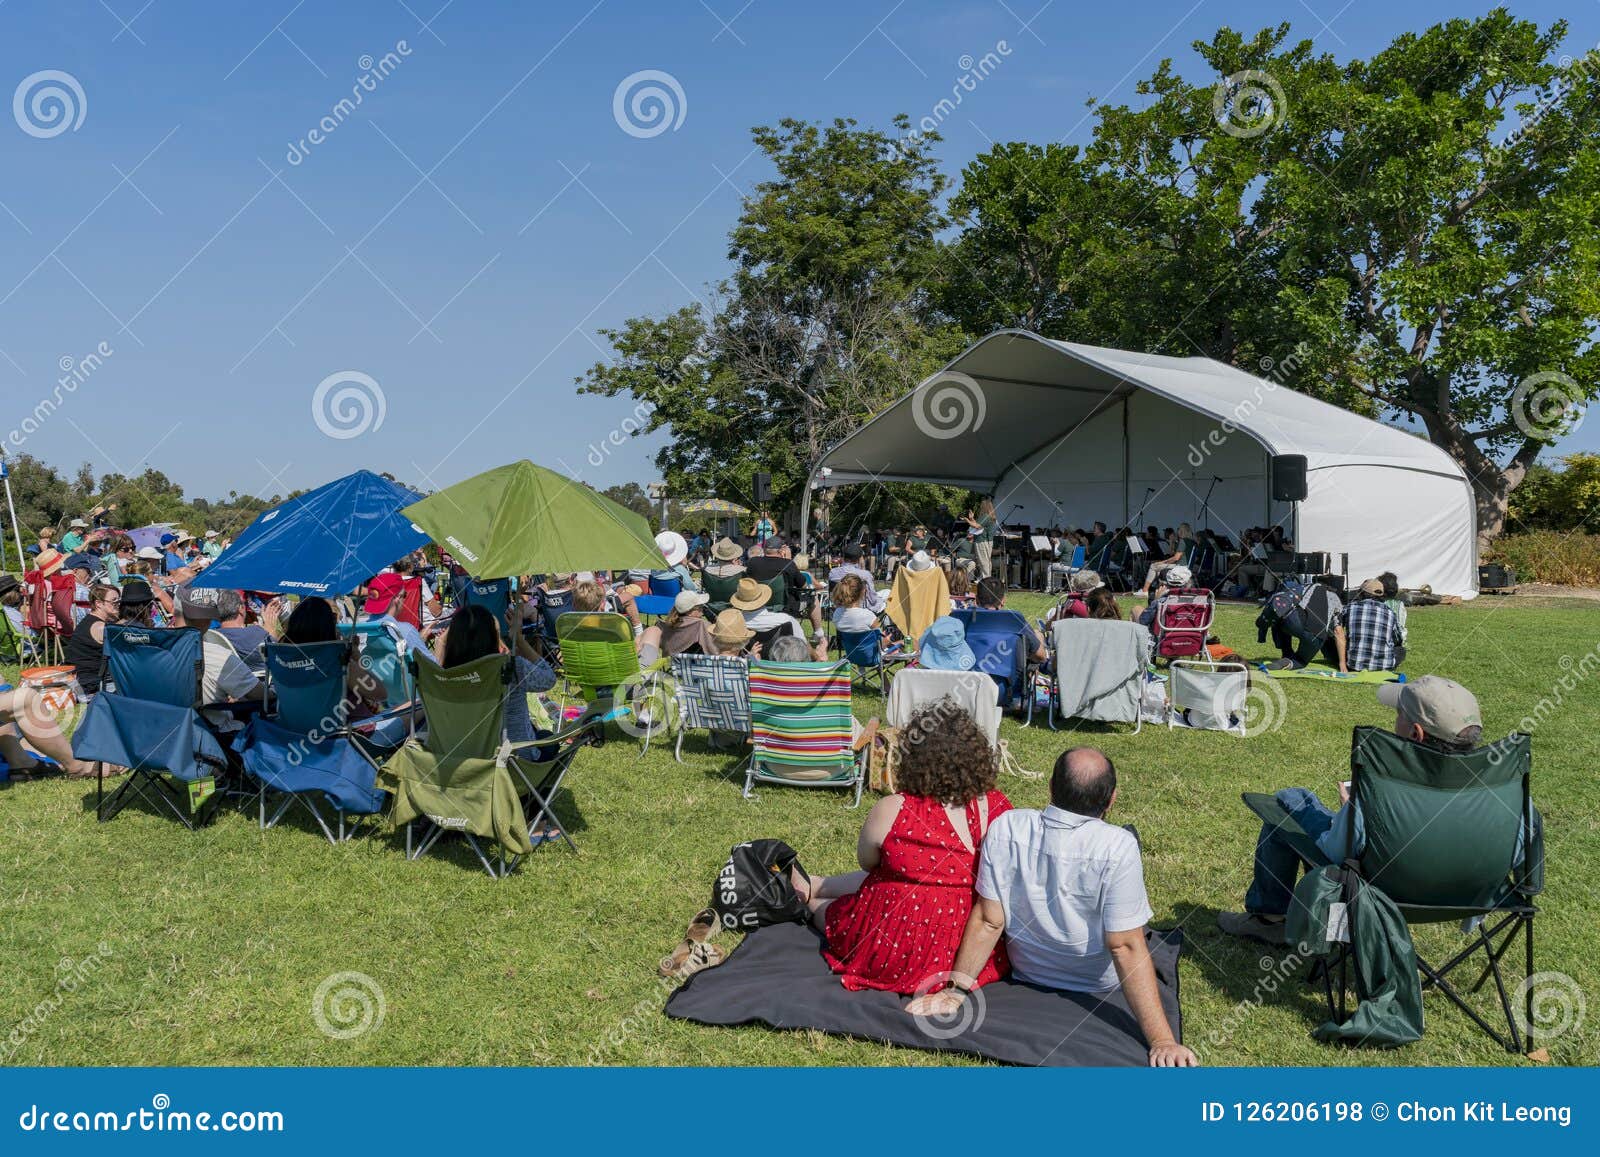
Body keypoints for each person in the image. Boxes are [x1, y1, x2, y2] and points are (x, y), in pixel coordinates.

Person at [906, 746, 1197, 1067]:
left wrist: (955, 993)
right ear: (1111, 799)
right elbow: (1125, 945)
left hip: (1028, 972)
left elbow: (989, 921)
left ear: (1050, 788)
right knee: (1123, 862)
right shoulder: (1119, 847)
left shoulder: (1007, 827)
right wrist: (1163, 1040)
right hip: (1097, 982)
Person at [1218, 677, 1513, 946]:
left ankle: (1270, 918)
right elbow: (1523, 863)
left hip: (1377, 894)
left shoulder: (1377, 787)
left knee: (1291, 803)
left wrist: (1350, 809)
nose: (1394, 721)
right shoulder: (1505, 793)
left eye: (1399, 715)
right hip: (1467, 898)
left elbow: (1336, 852)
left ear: (1415, 732)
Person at [792, 703, 1014, 994]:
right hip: (969, 946)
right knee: (893, 877)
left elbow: (867, 862)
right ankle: (818, 884)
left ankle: (808, 897)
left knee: (834, 914)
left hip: (896, 943)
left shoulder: (895, 809)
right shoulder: (999, 808)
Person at [434, 603, 557, 749]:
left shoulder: (444, 676)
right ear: (492, 638)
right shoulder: (511, 667)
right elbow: (548, 679)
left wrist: (441, 644)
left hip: (465, 755)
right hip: (512, 758)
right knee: (547, 738)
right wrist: (519, 639)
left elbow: (435, 671)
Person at [171, 586, 265, 732]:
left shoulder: (148, 649)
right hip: (212, 738)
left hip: (159, 732)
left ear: (174, 610)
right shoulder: (219, 656)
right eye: (207, 617)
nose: (208, 622)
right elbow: (264, 697)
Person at [1260, 574, 1343, 671]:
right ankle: (1289, 662)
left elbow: (1282, 605)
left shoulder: (1305, 587)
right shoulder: (1336, 600)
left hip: (1292, 621)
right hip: (1315, 633)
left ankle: (1286, 652)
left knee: (1280, 615)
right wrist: (1342, 663)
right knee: (1301, 660)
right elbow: (1338, 631)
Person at [1335, 578, 1405, 673]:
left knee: (1331, 640)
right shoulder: (1390, 612)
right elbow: (1398, 640)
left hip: (1353, 665)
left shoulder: (1350, 608)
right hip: (1384, 666)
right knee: (1401, 650)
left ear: (1361, 593)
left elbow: (1337, 629)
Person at [64, 582, 121, 696]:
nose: (118, 604)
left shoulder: (90, 620)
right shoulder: (100, 627)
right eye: (114, 601)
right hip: (89, 684)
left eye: (119, 600)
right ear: (99, 603)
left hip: (79, 678)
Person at [976, 576, 1045, 665]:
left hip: (969, 676)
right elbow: (1040, 656)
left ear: (977, 600)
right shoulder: (1015, 621)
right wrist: (1040, 639)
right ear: (1003, 601)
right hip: (1007, 677)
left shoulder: (962, 620)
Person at [640, 589, 714, 660]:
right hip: (698, 667)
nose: (703, 609)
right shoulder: (700, 625)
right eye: (701, 607)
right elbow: (714, 650)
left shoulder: (665, 625)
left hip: (674, 665)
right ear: (690, 611)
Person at [213, 589, 270, 669]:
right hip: (257, 679)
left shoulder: (211, 635)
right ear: (240, 608)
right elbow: (276, 654)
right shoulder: (255, 633)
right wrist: (268, 626)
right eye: (244, 604)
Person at [827, 543, 885, 614]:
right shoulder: (865, 575)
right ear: (859, 558)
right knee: (887, 593)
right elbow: (873, 599)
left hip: (840, 607)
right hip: (861, 607)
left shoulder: (833, 573)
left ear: (843, 557)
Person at [1137, 523, 1193, 593]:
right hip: (1186, 567)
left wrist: (1162, 562)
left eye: (1178, 529)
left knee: (1153, 566)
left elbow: (1176, 558)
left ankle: (1144, 591)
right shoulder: (1191, 541)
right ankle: (1159, 590)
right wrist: (1172, 542)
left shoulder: (1183, 541)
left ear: (1182, 531)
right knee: (1157, 569)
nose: (1177, 531)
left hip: (1180, 567)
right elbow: (1172, 554)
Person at [700, 537, 747, 614]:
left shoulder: (705, 570)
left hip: (712, 607)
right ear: (734, 556)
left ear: (718, 555)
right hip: (735, 607)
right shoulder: (743, 571)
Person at [962, 499, 998, 579]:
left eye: (981, 506)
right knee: (986, 561)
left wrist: (967, 520)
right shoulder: (989, 516)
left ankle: (986, 579)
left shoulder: (985, 516)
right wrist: (972, 519)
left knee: (983, 561)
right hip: (987, 541)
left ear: (984, 507)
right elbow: (979, 525)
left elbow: (977, 526)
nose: (980, 507)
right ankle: (986, 578)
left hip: (982, 541)